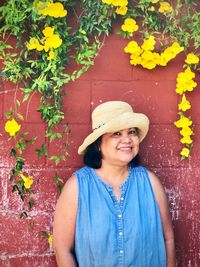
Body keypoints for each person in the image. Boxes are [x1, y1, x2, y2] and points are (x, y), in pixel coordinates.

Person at [53, 101, 176, 267]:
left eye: (131, 132)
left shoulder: (150, 183)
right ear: (98, 143)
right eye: (116, 133)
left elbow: (168, 239)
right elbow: (62, 249)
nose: (127, 140)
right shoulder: (77, 187)